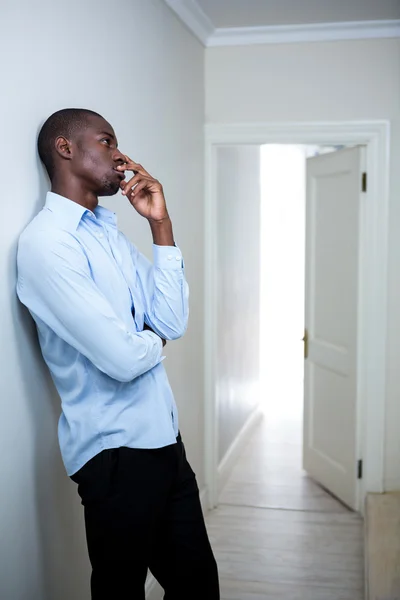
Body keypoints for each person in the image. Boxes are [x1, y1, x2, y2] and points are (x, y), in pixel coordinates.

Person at [16, 108, 220, 599]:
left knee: (198, 587)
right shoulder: (47, 244)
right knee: (120, 591)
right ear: (66, 149)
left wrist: (160, 224)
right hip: (116, 453)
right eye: (106, 141)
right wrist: (147, 339)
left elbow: (170, 322)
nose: (120, 156)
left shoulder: (108, 233)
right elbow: (124, 359)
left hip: (164, 441)